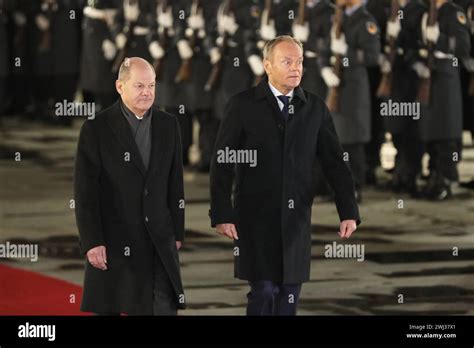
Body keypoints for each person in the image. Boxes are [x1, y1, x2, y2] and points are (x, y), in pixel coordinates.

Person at [209, 36, 361, 316]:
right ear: (267, 65)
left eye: (300, 62)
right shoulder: (243, 105)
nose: (296, 68)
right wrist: (221, 212)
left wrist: (348, 210)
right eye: (287, 61)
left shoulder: (314, 107)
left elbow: (335, 163)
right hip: (254, 216)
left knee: (288, 293)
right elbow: (223, 162)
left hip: (296, 218)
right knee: (264, 290)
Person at [74, 57, 186, 315]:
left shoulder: (168, 125)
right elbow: (85, 193)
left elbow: (175, 184)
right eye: (139, 86)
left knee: (161, 308)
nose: (147, 92)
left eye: (152, 85)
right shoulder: (96, 129)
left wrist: (176, 233)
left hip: (158, 240)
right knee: (111, 306)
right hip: (113, 242)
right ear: (119, 86)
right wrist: (92, 241)